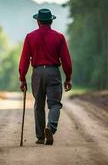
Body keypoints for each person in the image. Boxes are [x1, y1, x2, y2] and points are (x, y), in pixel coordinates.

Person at [19, 8, 72, 145]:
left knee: (39, 105)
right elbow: (66, 60)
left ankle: (41, 137)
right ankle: (50, 127)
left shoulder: (30, 37)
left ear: (37, 21)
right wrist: (68, 77)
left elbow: (24, 60)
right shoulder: (59, 37)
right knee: (54, 104)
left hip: (37, 73)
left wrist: (22, 78)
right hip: (53, 72)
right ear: (51, 21)